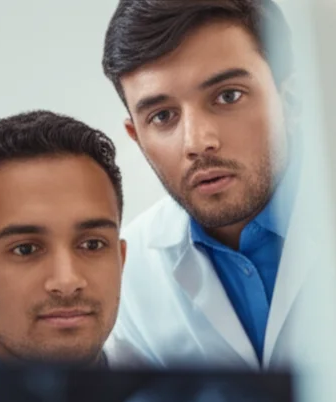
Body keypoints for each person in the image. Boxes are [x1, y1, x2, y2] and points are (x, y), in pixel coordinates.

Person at [103, 0, 308, 368]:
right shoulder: (127, 273)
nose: (197, 142)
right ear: (136, 136)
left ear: (290, 100)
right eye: (163, 116)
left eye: (228, 96)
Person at [0, 110, 136, 369]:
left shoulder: (170, 390)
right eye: (25, 249)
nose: (67, 282)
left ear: (121, 259)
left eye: (92, 245)